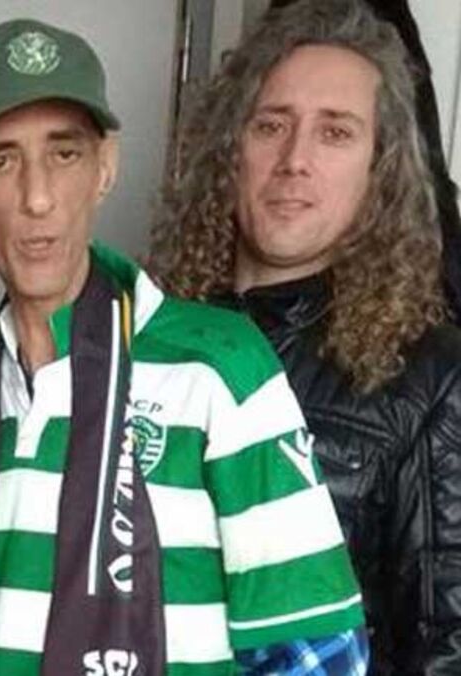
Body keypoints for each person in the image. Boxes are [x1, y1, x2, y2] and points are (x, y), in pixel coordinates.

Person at [0, 17, 367, 675]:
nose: (38, 197)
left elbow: (325, 655)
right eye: (0, 161)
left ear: (105, 167)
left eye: (65, 154)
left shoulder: (218, 370)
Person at [148, 0, 461, 672]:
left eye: (335, 132)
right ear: (230, 150)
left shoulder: (433, 379)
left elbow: (447, 645)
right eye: (271, 125)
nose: (294, 159)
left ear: (380, 170)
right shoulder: (139, 329)